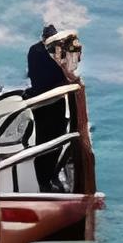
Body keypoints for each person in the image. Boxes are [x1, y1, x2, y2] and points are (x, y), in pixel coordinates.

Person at [23, 19, 91, 195]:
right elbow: (67, 73)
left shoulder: (34, 50)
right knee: (54, 140)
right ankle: (45, 179)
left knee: (43, 140)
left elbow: (34, 75)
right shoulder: (53, 52)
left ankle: (42, 178)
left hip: (38, 102)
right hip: (53, 101)